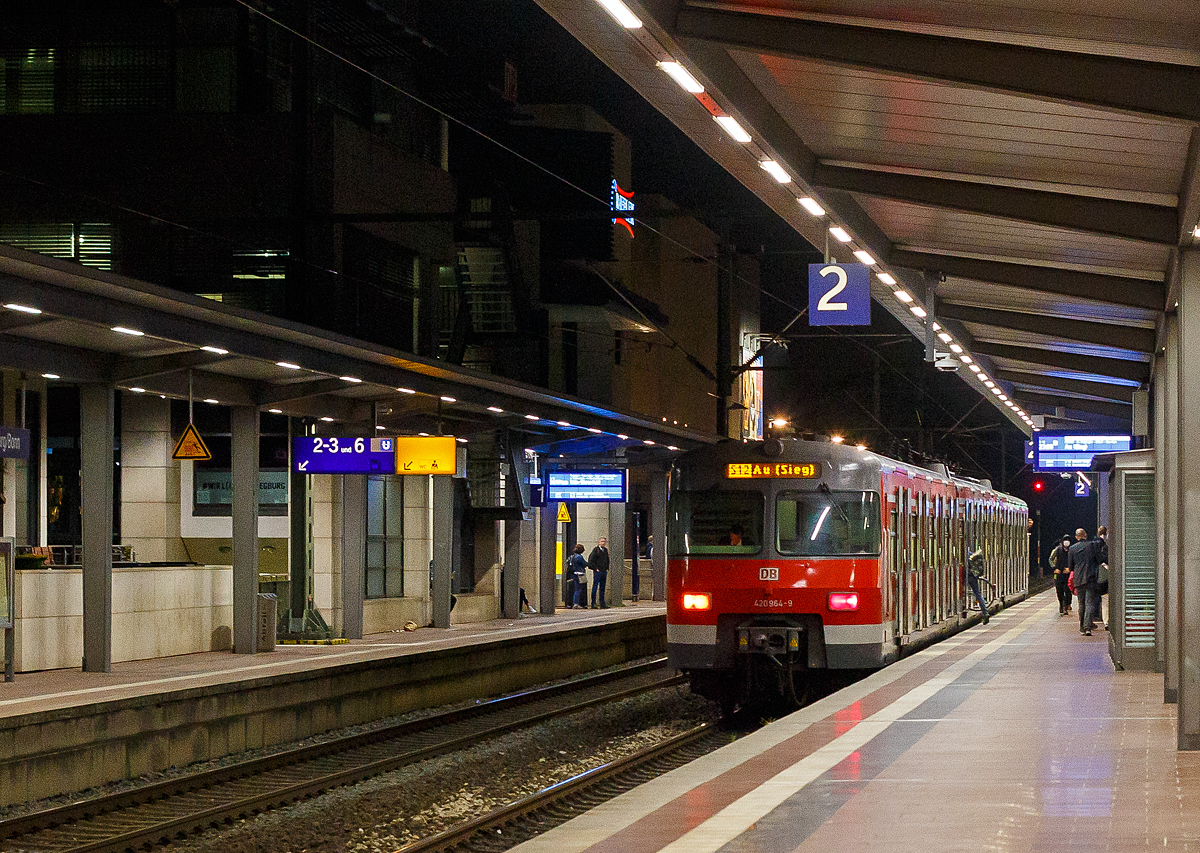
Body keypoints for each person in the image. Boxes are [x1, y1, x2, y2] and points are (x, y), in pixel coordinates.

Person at [1068, 528, 1100, 636]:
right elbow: (1097, 560)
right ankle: (1087, 627)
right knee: (1089, 602)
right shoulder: (1092, 546)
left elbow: (1070, 566)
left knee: (1081, 603)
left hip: (1078, 579)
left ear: (1077, 537)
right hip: (1091, 578)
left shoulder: (1072, 548)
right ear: (1085, 535)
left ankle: (1082, 627)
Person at [1092, 525, 1110, 629]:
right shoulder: (1103, 545)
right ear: (1106, 533)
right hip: (1103, 576)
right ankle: (1106, 621)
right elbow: (1104, 558)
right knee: (1105, 599)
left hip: (1094, 576)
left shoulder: (1093, 544)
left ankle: (1095, 617)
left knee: (1095, 598)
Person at [1050, 536, 1072, 615]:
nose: (1066, 542)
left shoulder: (1072, 550)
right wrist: (1054, 568)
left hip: (1068, 574)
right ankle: (1061, 604)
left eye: (1068, 540)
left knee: (1068, 591)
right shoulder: (1057, 550)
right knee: (1059, 590)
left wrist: (1070, 569)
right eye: (1065, 540)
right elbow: (1051, 559)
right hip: (1058, 573)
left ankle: (1066, 605)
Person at [967, 547, 989, 624]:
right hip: (973, 576)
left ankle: (965, 606)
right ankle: (985, 612)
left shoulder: (962, 555)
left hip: (966, 576)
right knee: (977, 594)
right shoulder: (971, 554)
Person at [588, 536, 610, 609]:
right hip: (598, 571)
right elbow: (591, 560)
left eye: (604, 541)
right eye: (602, 541)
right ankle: (593, 603)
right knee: (595, 586)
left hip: (604, 571)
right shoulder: (596, 550)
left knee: (602, 587)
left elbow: (607, 560)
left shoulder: (605, 550)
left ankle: (602, 603)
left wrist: (607, 568)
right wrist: (595, 568)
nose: (603, 543)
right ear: (599, 542)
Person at [566, 544, 589, 609]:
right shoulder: (579, 557)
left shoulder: (572, 556)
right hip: (580, 574)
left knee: (575, 589)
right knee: (578, 589)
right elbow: (584, 563)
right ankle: (576, 603)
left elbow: (567, 562)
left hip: (574, 574)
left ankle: (572, 603)